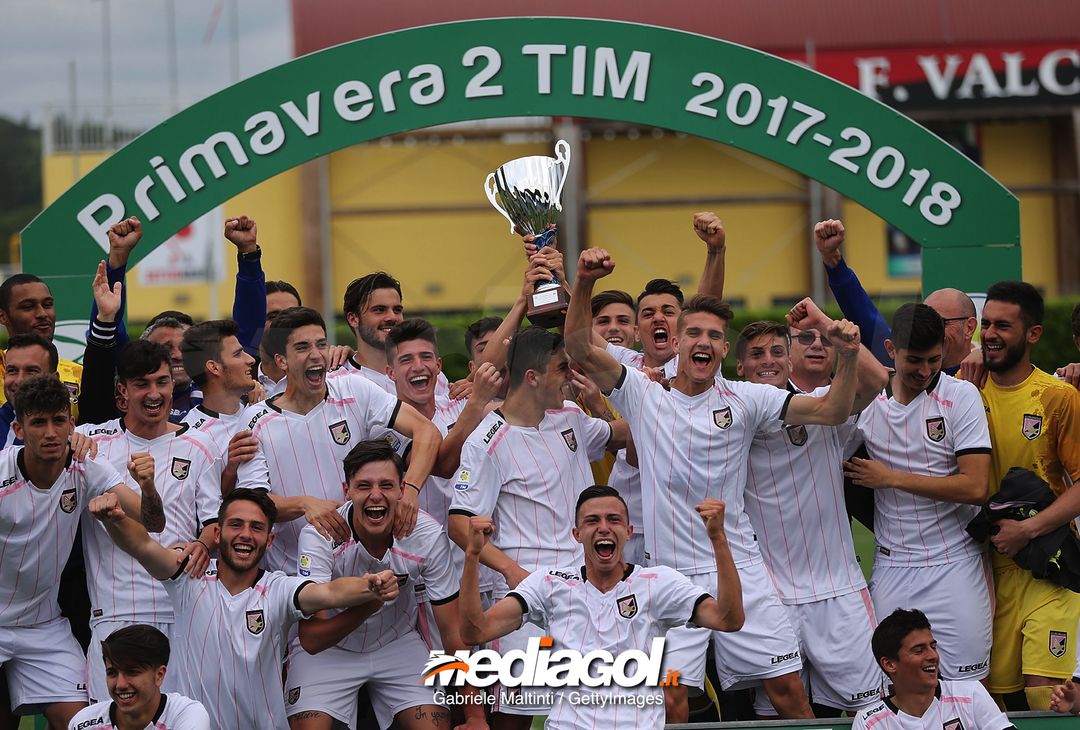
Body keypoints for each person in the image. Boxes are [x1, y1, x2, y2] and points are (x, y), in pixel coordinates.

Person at [565, 247, 864, 722]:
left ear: (725, 350)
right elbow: (580, 349)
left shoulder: (748, 399)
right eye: (695, 333)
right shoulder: (643, 393)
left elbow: (833, 411)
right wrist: (582, 283)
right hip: (670, 575)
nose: (703, 342)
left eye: (715, 336)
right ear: (678, 342)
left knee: (787, 691)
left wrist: (846, 358)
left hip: (739, 568)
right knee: (671, 700)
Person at [88, 486, 399, 730]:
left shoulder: (279, 589)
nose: (246, 535)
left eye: (256, 527)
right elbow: (141, 546)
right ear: (218, 533)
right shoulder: (188, 577)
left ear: (270, 539)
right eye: (236, 524)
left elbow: (328, 593)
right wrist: (114, 520)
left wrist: (368, 586)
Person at [447, 326, 630, 728]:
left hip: (588, 588)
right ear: (532, 377)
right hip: (525, 593)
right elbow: (459, 523)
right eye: (562, 368)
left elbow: (621, 435)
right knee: (518, 715)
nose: (570, 374)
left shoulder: (569, 416)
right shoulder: (486, 440)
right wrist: (511, 570)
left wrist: (608, 404)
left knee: (603, 708)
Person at [457, 487, 744, 730]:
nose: (604, 527)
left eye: (614, 520)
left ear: (629, 531)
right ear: (577, 533)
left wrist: (718, 539)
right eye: (592, 521)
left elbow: (728, 619)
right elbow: (476, 631)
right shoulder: (548, 583)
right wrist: (472, 556)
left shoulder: (658, 582)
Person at [735, 315, 887, 716]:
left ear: (789, 361)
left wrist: (832, 331)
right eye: (756, 354)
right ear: (740, 367)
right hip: (770, 596)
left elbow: (874, 383)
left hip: (837, 591)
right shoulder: (726, 422)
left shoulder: (824, 404)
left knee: (870, 711)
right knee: (778, 714)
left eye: (777, 352)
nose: (767, 360)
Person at [0, 374, 164, 729]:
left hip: (43, 625)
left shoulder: (85, 466)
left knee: (86, 723)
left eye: (59, 421)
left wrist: (148, 487)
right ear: (18, 428)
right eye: (38, 422)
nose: (50, 433)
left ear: (71, 424)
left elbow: (152, 521)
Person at [843, 303, 994, 683]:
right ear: (891, 350)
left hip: (955, 563)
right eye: (915, 361)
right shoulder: (867, 402)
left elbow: (976, 487)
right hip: (893, 566)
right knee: (894, 687)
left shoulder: (961, 397)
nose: (925, 372)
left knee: (966, 688)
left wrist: (891, 478)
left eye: (934, 361)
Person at [287, 440, 484, 730]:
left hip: (397, 641)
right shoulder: (319, 534)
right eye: (364, 486)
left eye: (387, 485)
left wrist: (475, 717)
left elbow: (453, 634)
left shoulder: (427, 534)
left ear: (402, 490)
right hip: (329, 650)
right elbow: (312, 640)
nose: (375, 496)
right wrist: (369, 604)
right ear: (347, 492)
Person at [236, 307, 441, 572]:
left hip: (364, 567)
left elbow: (427, 432)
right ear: (282, 361)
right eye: (302, 347)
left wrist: (409, 492)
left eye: (321, 344)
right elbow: (255, 501)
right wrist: (305, 504)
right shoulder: (255, 419)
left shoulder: (354, 389)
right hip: (291, 574)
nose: (315, 354)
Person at [76, 341, 221, 703]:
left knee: (180, 720)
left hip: (181, 611)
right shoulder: (91, 443)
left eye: (162, 382)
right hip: (114, 611)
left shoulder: (200, 445)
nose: (154, 394)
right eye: (142, 384)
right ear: (122, 391)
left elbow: (214, 522)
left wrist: (204, 543)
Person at [978, 281, 1080, 709]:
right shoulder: (965, 394)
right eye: (985, 324)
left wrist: (1028, 529)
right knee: (992, 705)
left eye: (1003, 325)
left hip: (1049, 570)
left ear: (1033, 334)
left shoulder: (1058, 397)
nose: (989, 334)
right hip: (986, 575)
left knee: (1046, 699)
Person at [814, 219, 978, 373]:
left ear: (969, 328)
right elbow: (863, 314)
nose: (929, 329)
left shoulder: (989, 373)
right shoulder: (902, 355)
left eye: (940, 322)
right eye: (924, 320)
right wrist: (833, 258)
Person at [852, 609, 1015, 730]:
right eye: (918, 650)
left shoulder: (969, 694)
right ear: (889, 664)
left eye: (933, 646)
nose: (933, 656)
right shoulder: (869, 722)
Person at [68, 624, 210, 730]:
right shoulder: (83, 722)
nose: (120, 684)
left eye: (132, 672)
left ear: (159, 675)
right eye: (112, 673)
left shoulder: (187, 714)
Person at [340, 272, 452, 400]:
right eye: (379, 310)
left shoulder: (430, 375)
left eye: (397, 310)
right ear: (353, 319)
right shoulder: (339, 384)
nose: (392, 317)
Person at [180, 320, 259, 493]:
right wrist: (230, 470)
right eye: (238, 354)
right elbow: (194, 509)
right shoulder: (189, 436)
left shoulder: (261, 408)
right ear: (214, 367)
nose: (251, 360)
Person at [0, 273, 82, 417]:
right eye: (28, 307)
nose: (42, 313)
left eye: (47, 304)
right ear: (3, 316)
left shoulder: (78, 374)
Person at [0, 334, 59, 448]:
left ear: (54, 379)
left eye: (31, 371)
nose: (19, 380)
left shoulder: (79, 438)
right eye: (12, 370)